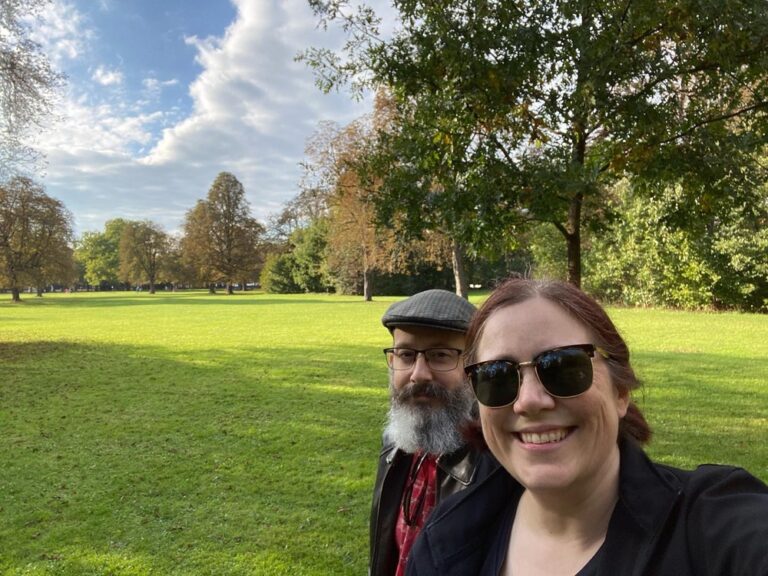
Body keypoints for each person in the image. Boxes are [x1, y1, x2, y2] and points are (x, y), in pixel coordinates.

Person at [406, 278, 768, 576]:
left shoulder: (711, 527)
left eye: (564, 367)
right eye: (497, 377)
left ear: (621, 391)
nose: (530, 400)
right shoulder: (446, 542)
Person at [370, 289, 497, 576]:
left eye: (440, 356)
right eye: (405, 355)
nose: (418, 374)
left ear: (475, 365)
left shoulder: (500, 463)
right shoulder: (396, 441)